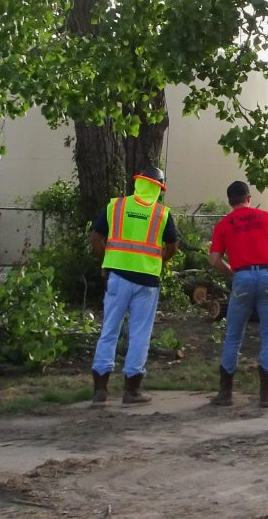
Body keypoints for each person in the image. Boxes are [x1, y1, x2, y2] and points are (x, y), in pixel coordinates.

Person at [88, 165, 177, 407]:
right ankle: (131, 391)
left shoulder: (116, 206)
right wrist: (158, 260)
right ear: (159, 188)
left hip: (117, 277)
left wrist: (106, 262)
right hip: (147, 280)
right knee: (139, 334)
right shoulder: (162, 213)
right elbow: (172, 245)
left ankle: (100, 391)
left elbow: (95, 238)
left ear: (137, 183)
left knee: (109, 331)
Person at [209, 180, 268, 408]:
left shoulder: (224, 225)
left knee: (234, 337)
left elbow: (214, 259)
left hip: (242, 277)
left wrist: (231, 273)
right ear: (248, 197)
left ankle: (225, 393)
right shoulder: (266, 217)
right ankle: (265, 395)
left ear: (230, 201)